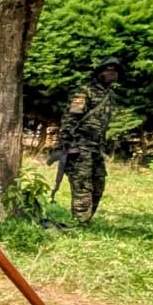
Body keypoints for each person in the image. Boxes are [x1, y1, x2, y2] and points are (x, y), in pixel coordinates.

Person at [58, 64, 118, 224]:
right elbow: (70, 118)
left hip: (96, 148)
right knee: (82, 185)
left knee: (99, 184)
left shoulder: (110, 95)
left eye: (115, 72)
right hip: (80, 146)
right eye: (108, 71)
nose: (112, 74)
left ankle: (87, 218)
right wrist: (68, 144)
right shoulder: (84, 92)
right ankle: (80, 223)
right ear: (99, 73)